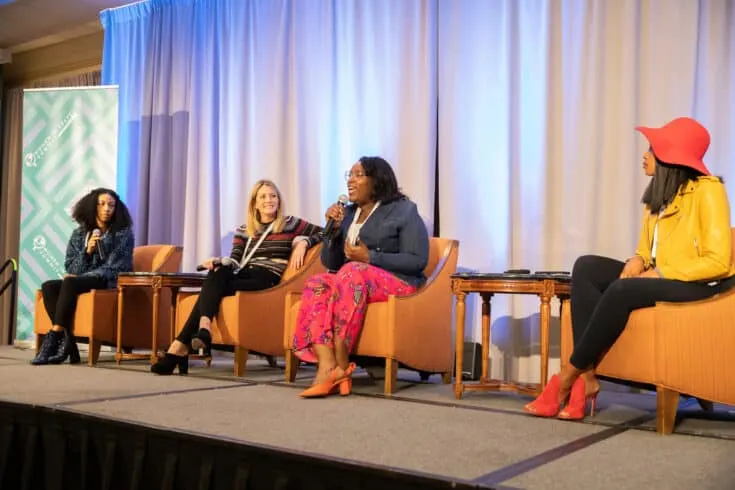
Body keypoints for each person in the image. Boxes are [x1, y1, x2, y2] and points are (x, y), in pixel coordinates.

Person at [525, 117, 735, 420]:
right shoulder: (659, 195)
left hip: (698, 283)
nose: (645, 154)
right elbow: (648, 252)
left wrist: (660, 272)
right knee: (586, 266)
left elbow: (717, 261)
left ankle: (567, 376)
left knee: (623, 289)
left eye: (652, 148)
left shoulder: (708, 191)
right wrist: (636, 261)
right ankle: (589, 379)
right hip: (665, 276)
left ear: (671, 156)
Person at [152, 179, 323, 375]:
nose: (269, 200)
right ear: (255, 203)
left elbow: (327, 232)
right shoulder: (244, 231)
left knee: (213, 284)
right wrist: (219, 261)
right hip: (244, 273)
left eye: (273, 196)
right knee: (217, 271)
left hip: (267, 279)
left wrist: (305, 242)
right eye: (263, 197)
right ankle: (201, 330)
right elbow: (235, 261)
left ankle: (180, 346)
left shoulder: (291, 223)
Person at [292, 156, 430, 398]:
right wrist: (333, 233)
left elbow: (418, 260)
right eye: (349, 175)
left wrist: (371, 258)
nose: (350, 181)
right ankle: (327, 366)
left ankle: (343, 363)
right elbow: (331, 263)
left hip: (400, 284)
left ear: (377, 180)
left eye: (358, 175)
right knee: (318, 283)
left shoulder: (404, 210)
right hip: (353, 281)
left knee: (353, 271)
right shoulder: (348, 214)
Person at [32, 188, 135, 365]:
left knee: (70, 282)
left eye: (111, 205)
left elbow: (117, 266)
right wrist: (87, 252)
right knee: (49, 286)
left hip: (107, 280)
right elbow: (71, 267)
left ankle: (55, 336)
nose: (106, 209)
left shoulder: (123, 234)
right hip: (82, 279)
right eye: (101, 204)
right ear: (92, 207)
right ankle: (70, 344)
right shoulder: (79, 234)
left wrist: (86, 274)